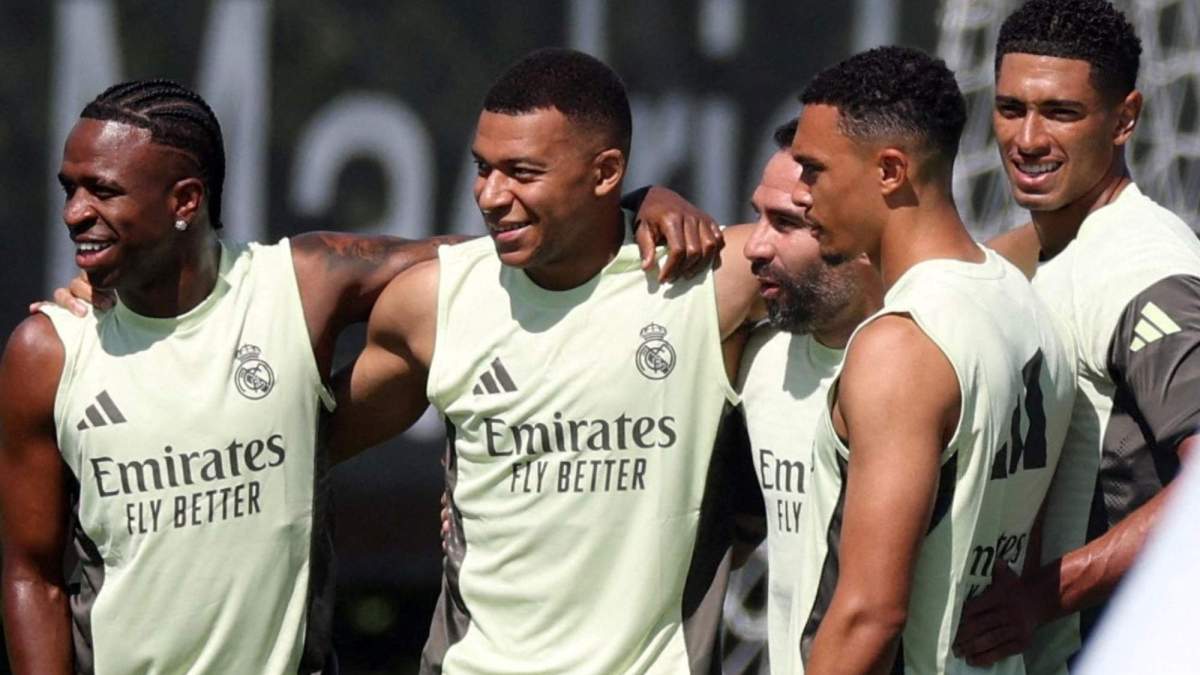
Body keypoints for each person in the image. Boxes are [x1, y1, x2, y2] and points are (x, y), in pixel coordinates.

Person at [0, 78, 716, 674]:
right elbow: (31, 571)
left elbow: (518, 240)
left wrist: (634, 202)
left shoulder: (301, 284)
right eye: (69, 189)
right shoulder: (49, 350)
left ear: (185, 200)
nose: (74, 213)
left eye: (101, 191)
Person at [329, 47, 763, 674]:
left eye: (522, 172)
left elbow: (868, 249)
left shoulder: (709, 283)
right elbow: (296, 454)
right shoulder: (434, 301)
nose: (490, 195)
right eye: (483, 168)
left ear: (606, 171)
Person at [782, 46, 1075, 674]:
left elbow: (869, 614)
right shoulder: (1025, 303)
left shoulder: (902, 344)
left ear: (890, 170)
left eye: (813, 169)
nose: (802, 193)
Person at [953, 0, 1200, 670]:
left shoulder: (1143, 267)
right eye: (1010, 109)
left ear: (1125, 119)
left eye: (1060, 112)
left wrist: (1040, 596)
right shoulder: (1047, 252)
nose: (1027, 139)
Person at [734, 117, 882, 671]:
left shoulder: (943, 356)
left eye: (787, 222)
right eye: (757, 215)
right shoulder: (753, 359)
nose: (754, 245)